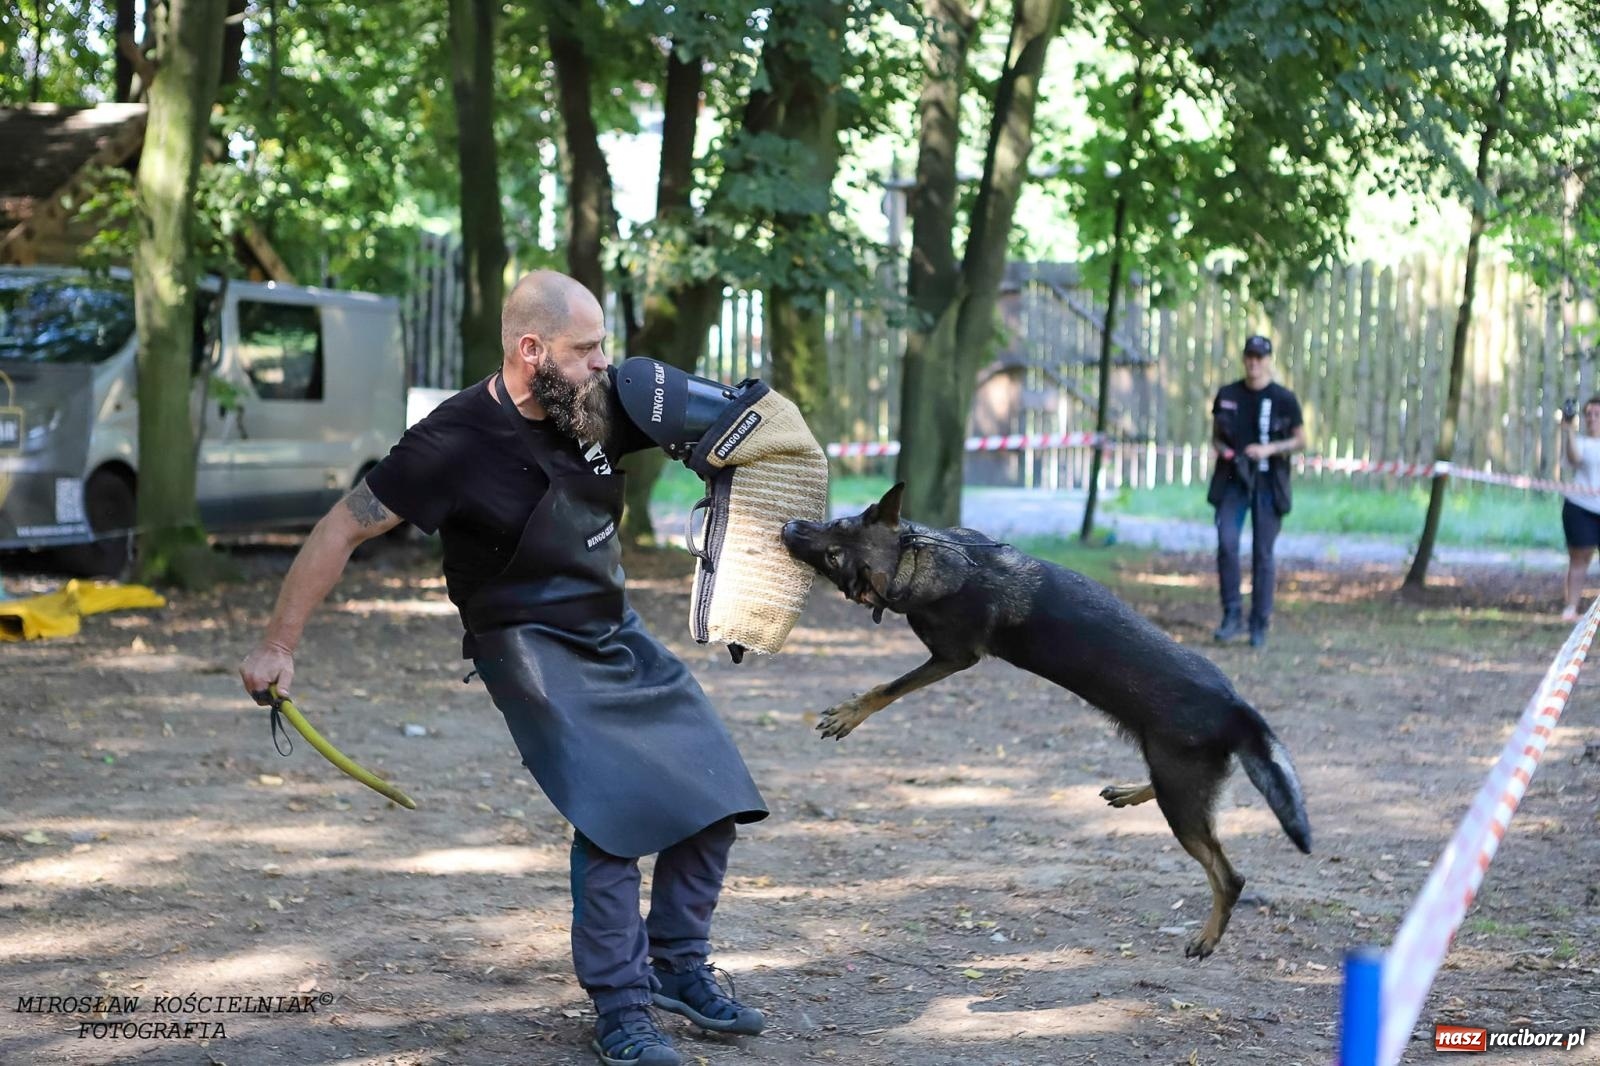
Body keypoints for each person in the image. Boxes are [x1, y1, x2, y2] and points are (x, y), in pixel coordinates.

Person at [240, 270, 768, 1066]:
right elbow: (338, 531)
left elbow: (732, 433)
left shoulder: (601, 401)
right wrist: (279, 644)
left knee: (716, 791)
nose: (604, 363)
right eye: (586, 348)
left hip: (610, 627)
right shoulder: (450, 442)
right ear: (532, 351)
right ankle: (621, 1011)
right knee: (613, 814)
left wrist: (757, 445)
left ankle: (677, 966)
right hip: (523, 643)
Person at [1206, 334, 1306, 648]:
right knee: (1227, 545)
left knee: (1263, 554)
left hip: (1268, 484)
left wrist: (1269, 449)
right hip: (1233, 482)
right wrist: (1225, 452)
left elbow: (1301, 440)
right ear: (1244, 358)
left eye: (1260, 357)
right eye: (1249, 356)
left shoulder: (1284, 399)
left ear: (1268, 360)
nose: (1254, 362)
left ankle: (1259, 624)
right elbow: (1216, 437)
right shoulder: (1227, 395)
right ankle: (1231, 616)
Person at [1558, 395, 1600, 621]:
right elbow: (1574, 458)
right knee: (1579, 558)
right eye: (1589, 414)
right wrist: (1568, 430)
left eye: (1597, 414)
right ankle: (1571, 607)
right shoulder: (1581, 442)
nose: (1592, 418)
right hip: (1580, 507)